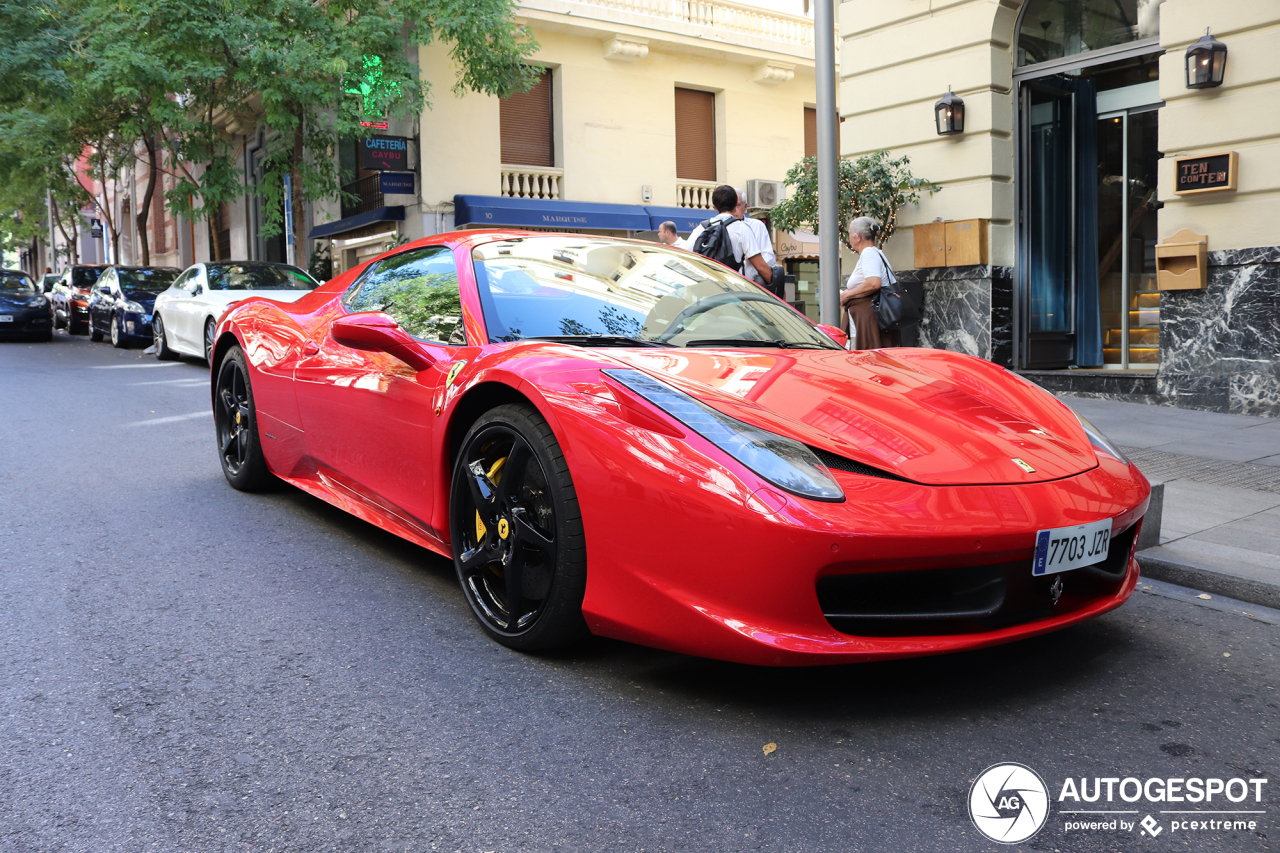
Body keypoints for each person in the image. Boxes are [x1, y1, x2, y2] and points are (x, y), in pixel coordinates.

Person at [687, 185, 774, 290]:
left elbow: (684, 256)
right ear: (734, 204)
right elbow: (761, 267)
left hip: (708, 292)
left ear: (715, 206)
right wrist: (776, 289)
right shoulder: (742, 228)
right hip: (733, 292)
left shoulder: (702, 227)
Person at [840, 216, 901, 349]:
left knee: (867, 356)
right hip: (870, 317)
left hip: (869, 318)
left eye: (850, 234)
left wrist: (848, 295)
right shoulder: (875, 253)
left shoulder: (868, 253)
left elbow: (874, 283)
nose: (849, 238)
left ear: (858, 236)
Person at [735, 191, 782, 297]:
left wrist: (754, 258)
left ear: (745, 207)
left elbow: (769, 257)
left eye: (738, 205)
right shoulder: (718, 228)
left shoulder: (757, 226)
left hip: (753, 287)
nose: (734, 210)